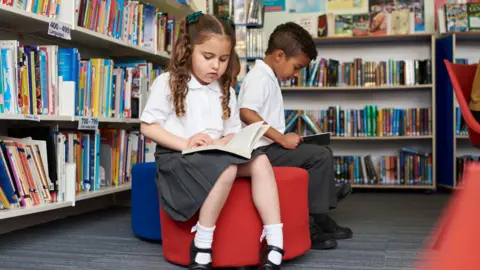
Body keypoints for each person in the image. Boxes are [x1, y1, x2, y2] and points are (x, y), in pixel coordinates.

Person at [140, 12, 285, 270]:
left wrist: (231, 139)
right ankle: (202, 244)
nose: (216, 66)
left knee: (261, 162)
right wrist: (187, 142)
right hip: (178, 155)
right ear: (188, 51)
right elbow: (148, 127)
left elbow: (230, 130)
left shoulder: (225, 89)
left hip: (214, 153)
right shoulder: (169, 82)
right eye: (207, 57)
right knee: (226, 168)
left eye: (223, 59)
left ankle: (275, 241)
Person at [238, 22, 353, 250]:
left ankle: (323, 208)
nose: (297, 74)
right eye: (297, 67)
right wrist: (281, 139)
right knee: (319, 157)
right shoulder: (259, 77)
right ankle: (315, 221)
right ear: (279, 56)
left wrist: (284, 137)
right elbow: (246, 112)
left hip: (268, 147)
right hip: (259, 152)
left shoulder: (268, 77)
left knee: (322, 152)